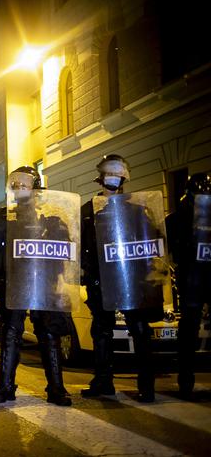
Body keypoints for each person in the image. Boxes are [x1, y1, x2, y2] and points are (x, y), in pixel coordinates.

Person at [0, 166, 73, 406]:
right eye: (15, 185)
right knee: (11, 333)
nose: (18, 189)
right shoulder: (3, 217)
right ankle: (5, 386)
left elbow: (62, 254)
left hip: (42, 283)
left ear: (35, 187)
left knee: (48, 333)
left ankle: (56, 387)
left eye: (24, 185)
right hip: (13, 284)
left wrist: (58, 281)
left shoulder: (50, 217)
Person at [80, 154, 163, 403]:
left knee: (139, 330)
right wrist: (87, 273)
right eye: (110, 174)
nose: (114, 178)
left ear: (124, 176)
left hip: (131, 279)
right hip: (100, 281)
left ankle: (146, 387)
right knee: (101, 331)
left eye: (118, 174)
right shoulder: (88, 210)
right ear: (101, 178)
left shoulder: (137, 209)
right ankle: (103, 382)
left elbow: (151, 243)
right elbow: (82, 244)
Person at [165, 172, 211, 400]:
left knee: (190, 329)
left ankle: (187, 380)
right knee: (189, 329)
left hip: (201, 277)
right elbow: (167, 249)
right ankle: (185, 380)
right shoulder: (177, 219)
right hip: (191, 279)